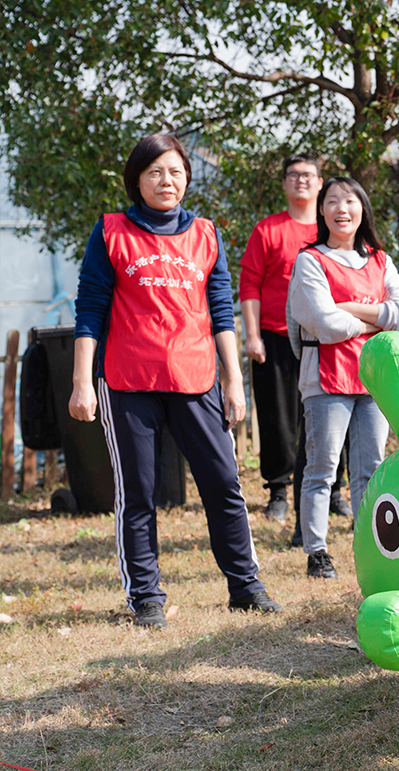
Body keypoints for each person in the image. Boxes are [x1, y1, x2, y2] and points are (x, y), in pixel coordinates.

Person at [70, 133, 282, 628]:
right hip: (128, 379)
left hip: (196, 376)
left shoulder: (206, 234)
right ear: (137, 179)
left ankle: (246, 586)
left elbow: (222, 310)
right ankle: (146, 597)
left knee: (224, 483)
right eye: (155, 172)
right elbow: (90, 310)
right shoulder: (111, 231)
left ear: (187, 178)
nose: (167, 181)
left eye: (175, 172)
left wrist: (234, 381)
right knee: (138, 493)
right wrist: (82, 381)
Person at [286, 177, 399, 579]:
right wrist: (375, 318)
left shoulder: (380, 260)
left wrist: (349, 308)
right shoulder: (310, 260)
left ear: (363, 208)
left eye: (350, 200)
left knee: (370, 468)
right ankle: (317, 551)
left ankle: (367, 546)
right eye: (333, 201)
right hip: (326, 379)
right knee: (321, 468)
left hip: (373, 379)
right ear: (321, 211)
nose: (342, 209)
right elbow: (325, 324)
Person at [240, 154, 351, 537]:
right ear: (285, 183)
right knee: (278, 419)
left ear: (320, 183)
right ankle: (278, 490)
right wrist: (252, 335)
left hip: (324, 340)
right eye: (293, 175)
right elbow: (249, 284)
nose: (301, 180)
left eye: (308, 175)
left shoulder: (333, 229)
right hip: (274, 338)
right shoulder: (268, 230)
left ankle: (334, 490)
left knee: (330, 418)